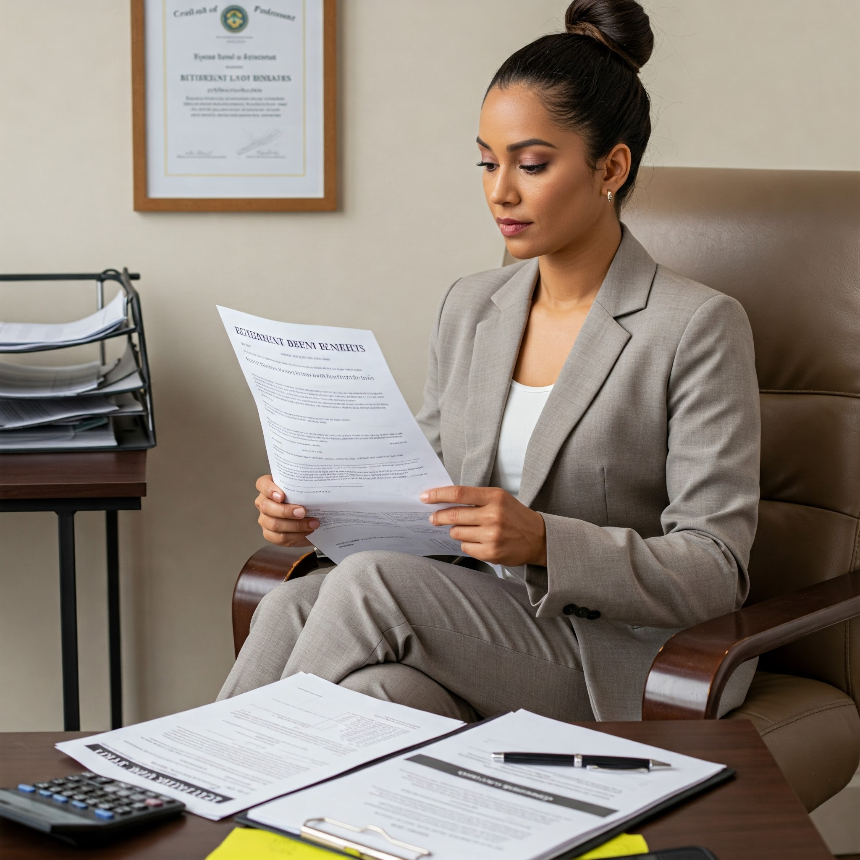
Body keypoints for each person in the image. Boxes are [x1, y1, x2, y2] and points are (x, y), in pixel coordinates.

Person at [218, 0, 760, 722]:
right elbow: (427, 493)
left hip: (627, 654)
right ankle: (191, 797)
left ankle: (203, 808)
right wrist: (317, 508)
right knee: (333, 645)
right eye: (487, 161)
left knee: (371, 587)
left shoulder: (696, 326)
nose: (500, 190)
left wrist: (544, 539)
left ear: (612, 165)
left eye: (531, 164)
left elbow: (716, 567)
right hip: (474, 624)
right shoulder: (472, 306)